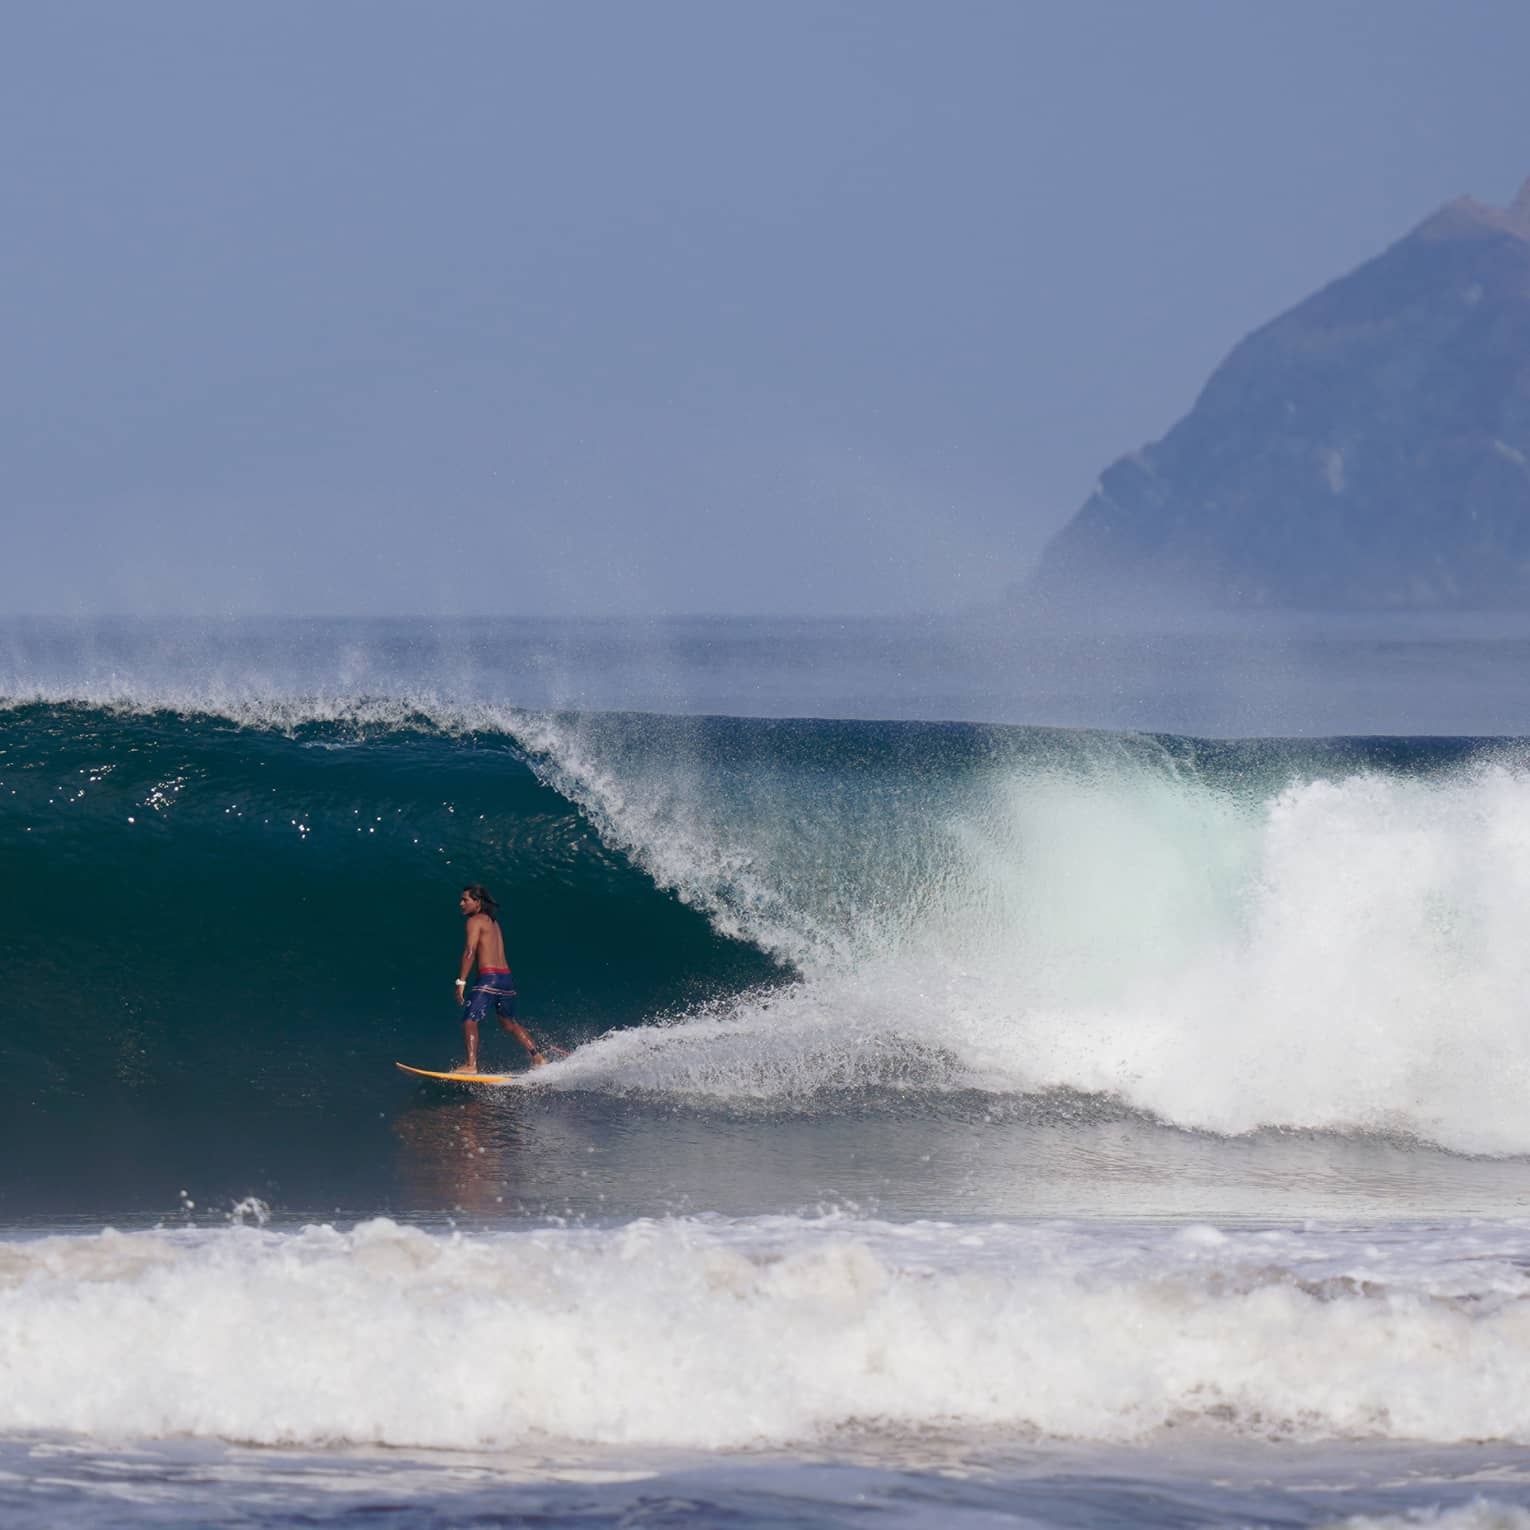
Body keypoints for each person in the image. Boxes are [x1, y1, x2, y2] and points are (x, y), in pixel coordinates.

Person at [454, 884, 546, 1074]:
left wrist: (461, 981)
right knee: (509, 1024)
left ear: (477, 902)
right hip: (506, 979)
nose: (461, 903)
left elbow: (470, 951)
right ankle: (538, 1058)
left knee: (469, 1021)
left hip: (489, 978)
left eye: (465, 900)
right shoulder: (493, 922)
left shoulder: (475, 921)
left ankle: (471, 1066)